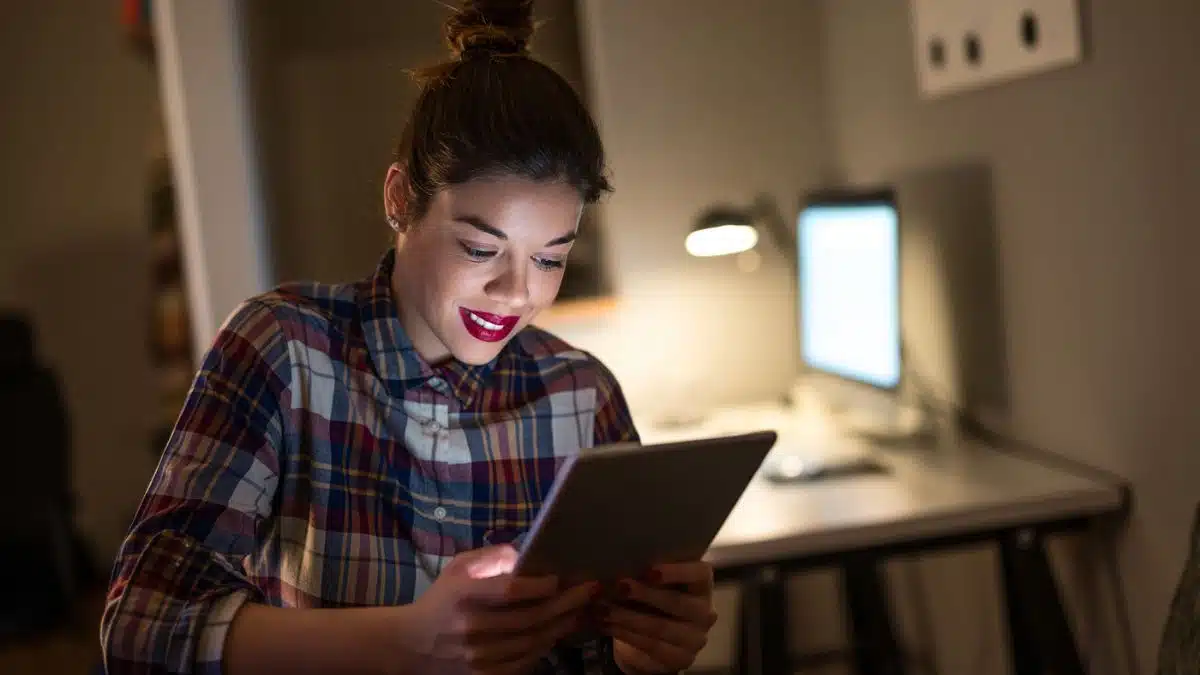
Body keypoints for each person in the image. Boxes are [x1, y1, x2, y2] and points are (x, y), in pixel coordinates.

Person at [100, 1, 717, 674]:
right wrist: (409, 640)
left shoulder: (582, 392)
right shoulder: (283, 349)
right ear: (400, 199)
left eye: (549, 258)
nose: (517, 294)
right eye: (481, 248)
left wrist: (638, 652)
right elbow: (140, 625)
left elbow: (597, 653)